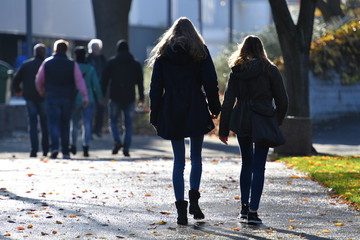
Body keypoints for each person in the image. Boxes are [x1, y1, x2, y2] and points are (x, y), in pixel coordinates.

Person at [147, 17, 221, 225]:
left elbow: (155, 88)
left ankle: (181, 209)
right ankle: (194, 200)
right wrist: (215, 108)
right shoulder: (200, 51)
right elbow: (211, 82)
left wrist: (155, 115)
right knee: (196, 157)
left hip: (171, 108)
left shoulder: (163, 54)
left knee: (178, 161)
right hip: (195, 107)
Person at [218, 35, 288, 224]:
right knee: (259, 166)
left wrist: (223, 129)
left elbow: (228, 103)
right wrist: (276, 121)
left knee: (246, 163)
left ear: (243, 50)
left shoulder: (237, 71)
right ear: (261, 50)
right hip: (264, 119)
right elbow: (283, 101)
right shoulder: (270, 70)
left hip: (242, 119)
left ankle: (243, 208)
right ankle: (254, 212)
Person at [35, 39, 88, 159]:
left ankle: (54, 148)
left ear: (55, 49)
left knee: (53, 123)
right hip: (67, 98)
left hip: (51, 97)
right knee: (65, 124)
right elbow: (80, 81)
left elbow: (39, 80)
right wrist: (85, 96)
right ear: (66, 50)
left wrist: (41, 91)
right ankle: (65, 151)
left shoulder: (47, 63)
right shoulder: (72, 64)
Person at [101, 39, 144, 157]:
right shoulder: (135, 64)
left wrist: (103, 94)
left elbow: (104, 80)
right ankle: (126, 148)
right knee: (128, 124)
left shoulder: (112, 63)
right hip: (129, 97)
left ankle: (117, 141)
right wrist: (141, 97)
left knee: (113, 121)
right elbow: (140, 82)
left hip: (115, 96)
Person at [12, 43, 49, 157]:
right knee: (45, 124)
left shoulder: (26, 65)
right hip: (44, 97)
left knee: (32, 124)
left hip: (29, 97)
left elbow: (16, 80)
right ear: (44, 53)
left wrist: (18, 91)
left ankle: (34, 149)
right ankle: (46, 149)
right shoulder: (47, 65)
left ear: (34, 53)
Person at [70, 46, 104, 157]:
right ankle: (86, 146)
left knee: (74, 123)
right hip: (88, 98)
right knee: (87, 123)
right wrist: (100, 97)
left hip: (74, 98)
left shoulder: (72, 67)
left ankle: (73, 145)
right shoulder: (90, 69)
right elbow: (96, 85)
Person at [87, 39, 107, 138]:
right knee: (90, 110)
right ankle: (89, 131)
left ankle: (97, 130)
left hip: (100, 88)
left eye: (98, 48)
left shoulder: (103, 59)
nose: (97, 50)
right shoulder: (87, 59)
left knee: (100, 109)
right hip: (90, 88)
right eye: (95, 48)